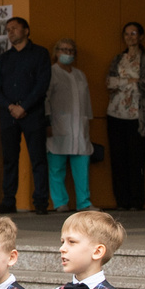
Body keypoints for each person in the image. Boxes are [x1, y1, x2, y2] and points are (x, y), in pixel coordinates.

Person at [0, 17, 51, 216]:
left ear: (26, 30)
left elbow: (42, 84)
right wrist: (10, 106)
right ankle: (9, 200)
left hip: (32, 113)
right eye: (8, 29)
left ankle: (41, 201)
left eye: (14, 28)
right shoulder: (5, 58)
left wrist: (24, 106)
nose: (10, 32)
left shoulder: (40, 54)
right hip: (9, 115)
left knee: (38, 158)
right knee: (10, 159)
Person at [103, 22, 145, 213]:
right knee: (118, 158)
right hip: (115, 113)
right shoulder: (118, 58)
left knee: (136, 158)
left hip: (136, 115)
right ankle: (121, 200)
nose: (130, 37)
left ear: (141, 36)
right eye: (127, 34)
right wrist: (131, 81)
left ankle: (136, 201)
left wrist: (122, 83)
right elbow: (109, 82)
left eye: (134, 33)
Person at [45, 39, 96, 214]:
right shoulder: (51, 73)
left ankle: (84, 202)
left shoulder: (80, 74)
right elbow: (46, 98)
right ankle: (60, 202)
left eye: (71, 50)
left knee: (82, 167)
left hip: (80, 126)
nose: (67, 53)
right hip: (58, 124)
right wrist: (47, 121)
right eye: (63, 50)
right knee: (56, 167)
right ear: (56, 52)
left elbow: (86, 100)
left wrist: (87, 119)